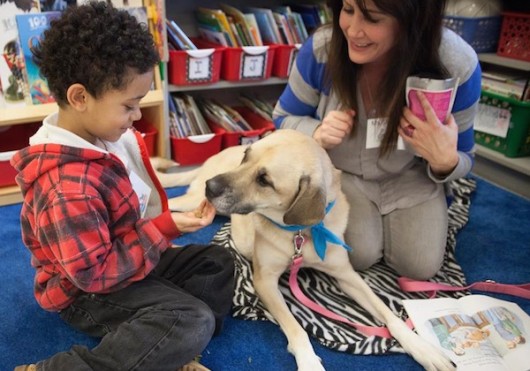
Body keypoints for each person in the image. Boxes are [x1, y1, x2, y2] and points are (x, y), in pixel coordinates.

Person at [11, 2, 234, 370]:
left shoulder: (97, 133)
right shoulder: (67, 188)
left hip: (124, 257)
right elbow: (93, 275)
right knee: (192, 318)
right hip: (85, 291)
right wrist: (161, 229)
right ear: (80, 97)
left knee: (216, 261)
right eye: (130, 105)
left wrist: (163, 227)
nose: (137, 116)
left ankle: (168, 345)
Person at [272, 0, 481, 280]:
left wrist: (446, 161)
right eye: (347, 10)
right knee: (358, 255)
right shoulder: (321, 49)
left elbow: (466, 157)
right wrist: (316, 132)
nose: (354, 31)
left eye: (373, 18)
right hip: (343, 174)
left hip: (412, 176)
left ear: (412, 21)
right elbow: (283, 118)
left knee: (421, 267)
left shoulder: (457, 63)